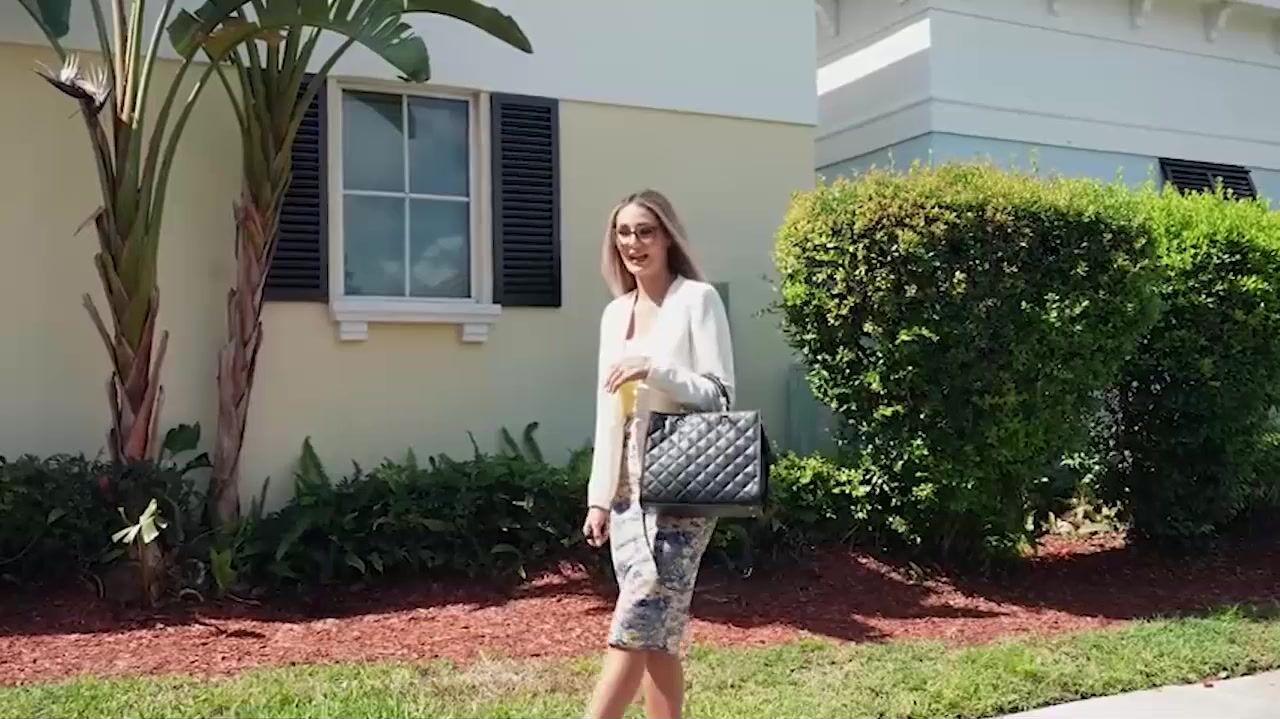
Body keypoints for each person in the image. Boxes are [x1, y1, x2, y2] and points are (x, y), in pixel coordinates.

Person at [582, 189, 735, 719]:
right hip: (627, 489)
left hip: (680, 481)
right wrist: (599, 497)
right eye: (624, 232)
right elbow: (607, 413)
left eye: (645, 231)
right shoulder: (613, 314)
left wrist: (655, 369)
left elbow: (720, 394)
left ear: (667, 236)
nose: (634, 242)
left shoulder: (698, 300)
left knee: (638, 617)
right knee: (658, 633)